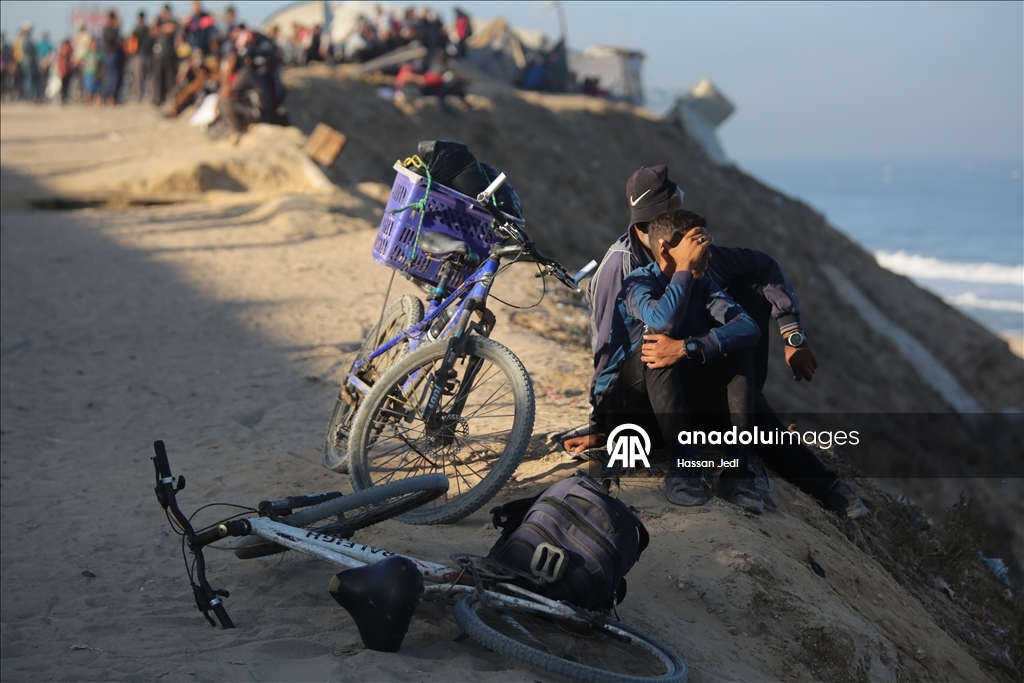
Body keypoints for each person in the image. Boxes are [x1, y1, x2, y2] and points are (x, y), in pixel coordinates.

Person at [566, 165, 867, 519]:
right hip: (635, 396)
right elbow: (608, 352)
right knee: (658, 345)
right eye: (680, 217)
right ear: (659, 233)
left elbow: (757, 284)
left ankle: (773, 474)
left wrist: (790, 333)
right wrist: (602, 424)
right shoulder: (626, 271)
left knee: (727, 343)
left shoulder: (698, 264)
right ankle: (688, 467)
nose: (699, 241)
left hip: (681, 381)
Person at [599, 207, 766, 512]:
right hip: (630, 409)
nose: (707, 254)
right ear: (666, 248)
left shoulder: (702, 284)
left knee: (736, 349)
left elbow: (749, 327)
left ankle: (737, 473)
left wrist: (691, 347)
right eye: (696, 245)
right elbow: (663, 322)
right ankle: (684, 470)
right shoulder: (638, 282)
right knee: (656, 349)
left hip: (676, 406)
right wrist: (682, 270)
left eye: (706, 244)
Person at [150, 5, 178, 105]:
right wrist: (162, 29)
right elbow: (152, 31)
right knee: (158, 77)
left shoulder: (173, 21)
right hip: (158, 55)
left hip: (169, 54)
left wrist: (160, 30)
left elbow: (172, 28)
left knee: (169, 77)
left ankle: (168, 96)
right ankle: (158, 97)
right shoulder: (158, 20)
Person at [99, 10, 124, 105]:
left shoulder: (114, 30)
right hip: (110, 55)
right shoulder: (107, 30)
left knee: (114, 76)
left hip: (115, 56)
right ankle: (108, 97)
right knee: (111, 77)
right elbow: (114, 42)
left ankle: (110, 97)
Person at [129, 11, 153, 102]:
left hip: (143, 56)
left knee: (143, 78)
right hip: (142, 56)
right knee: (142, 78)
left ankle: (141, 97)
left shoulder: (140, 29)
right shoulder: (142, 29)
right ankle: (142, 97)